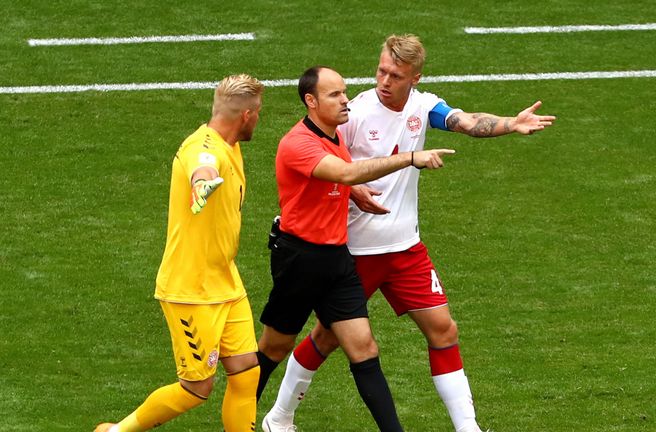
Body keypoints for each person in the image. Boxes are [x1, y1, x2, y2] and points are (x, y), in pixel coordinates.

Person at [261, 34, 556, 432]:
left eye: (395, 75)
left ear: (415, 78)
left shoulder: (424, 106)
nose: (383, 80)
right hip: (354, 251)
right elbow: (328, 165)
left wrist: (509, 124)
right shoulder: (354, 114)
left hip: (405, 249)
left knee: (444, 329)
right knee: (327, 339)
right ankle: (279, 416)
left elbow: (466, 122)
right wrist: (354, 187)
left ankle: (468, 428)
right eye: (381, 70)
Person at [255, 65, 454, 432]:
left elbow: (343, 178)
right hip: (299, 259)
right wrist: (411, 157)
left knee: (364, 349)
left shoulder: (335, 138)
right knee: (274, 349)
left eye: (344, 92)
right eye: (334, 94)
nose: (345, 99)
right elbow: (345, 173)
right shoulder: (297, 142)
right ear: (311, 101)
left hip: (336, 260)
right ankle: (239, 421)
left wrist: (356, 192)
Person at [94, 74, 265, 432]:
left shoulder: (231, 145)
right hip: (191, 289)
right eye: (258, 113)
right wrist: (202, 183)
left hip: (225, 279)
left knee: (246, 372)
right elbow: (202, 166)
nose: (259, 119)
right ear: (246, 116)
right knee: (196, 388)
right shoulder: (203, 147)